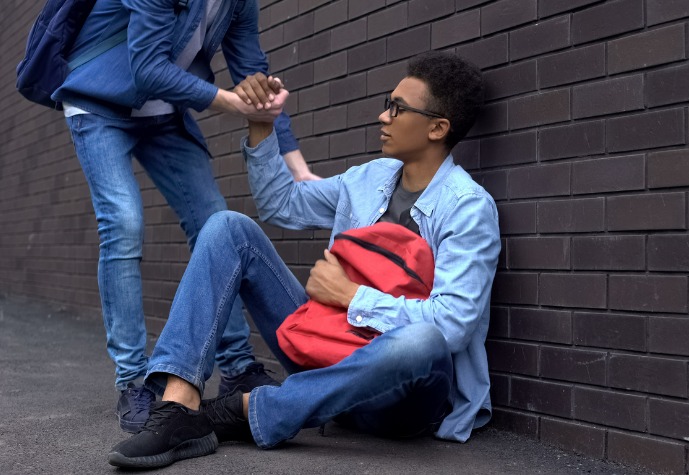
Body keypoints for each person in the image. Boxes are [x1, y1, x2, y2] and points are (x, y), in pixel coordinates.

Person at [107, 51, 501, 469]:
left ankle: (245, 410)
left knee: (422, 341)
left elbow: (454, 324)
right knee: (227, 227)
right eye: (388, 103)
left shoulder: (467, 208)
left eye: (397, 108)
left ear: (438, 128)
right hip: (326, 348)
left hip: (400, 398)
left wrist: (351, 296)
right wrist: (262, 125)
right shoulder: (369, 178)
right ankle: (180, 407)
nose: (383, 117)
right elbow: (282, 205)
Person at [51, 0, 319, 433]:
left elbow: (252, 69)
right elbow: (148, 68)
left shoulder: (238, 4)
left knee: (214, 221)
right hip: (98, 103)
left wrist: (297, 165)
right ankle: (134, 381)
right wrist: (231, 103)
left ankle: (236, 369)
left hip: (164, 114)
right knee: (123, 223)